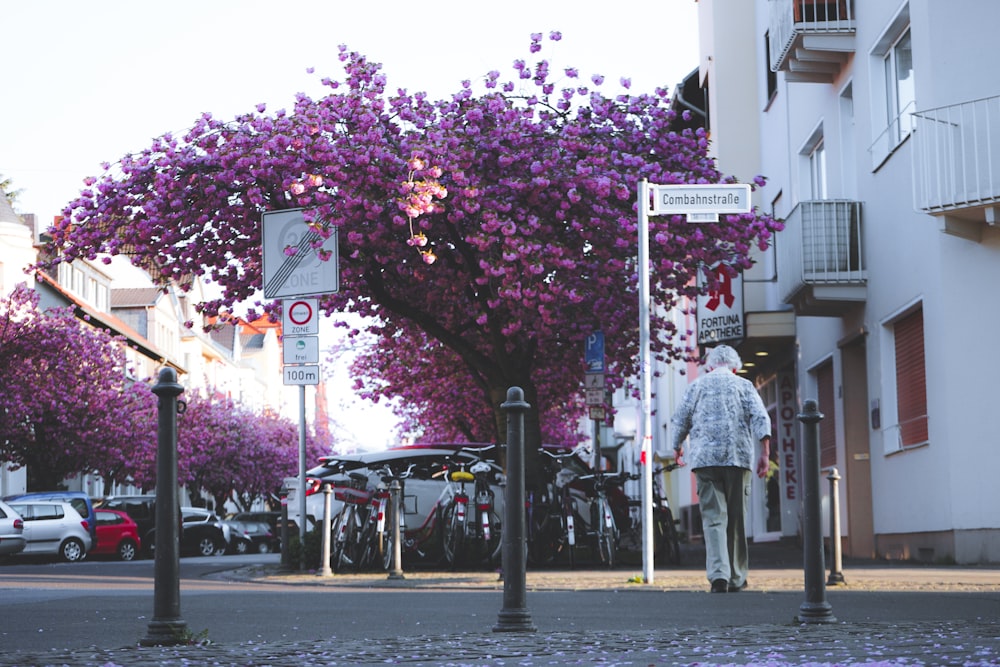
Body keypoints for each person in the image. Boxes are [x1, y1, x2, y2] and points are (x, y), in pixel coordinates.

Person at [670, 344, 772, 593]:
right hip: (737, 459)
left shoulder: (696, 386)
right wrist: (765, 454)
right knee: (736, 519)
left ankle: (719, 576)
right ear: (735, 368)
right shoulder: (744, 385)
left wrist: (677, 447)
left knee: (713, 519)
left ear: (710, 365)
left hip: (705, 460)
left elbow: (681, 418)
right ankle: (737, 577)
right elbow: (761, 417)